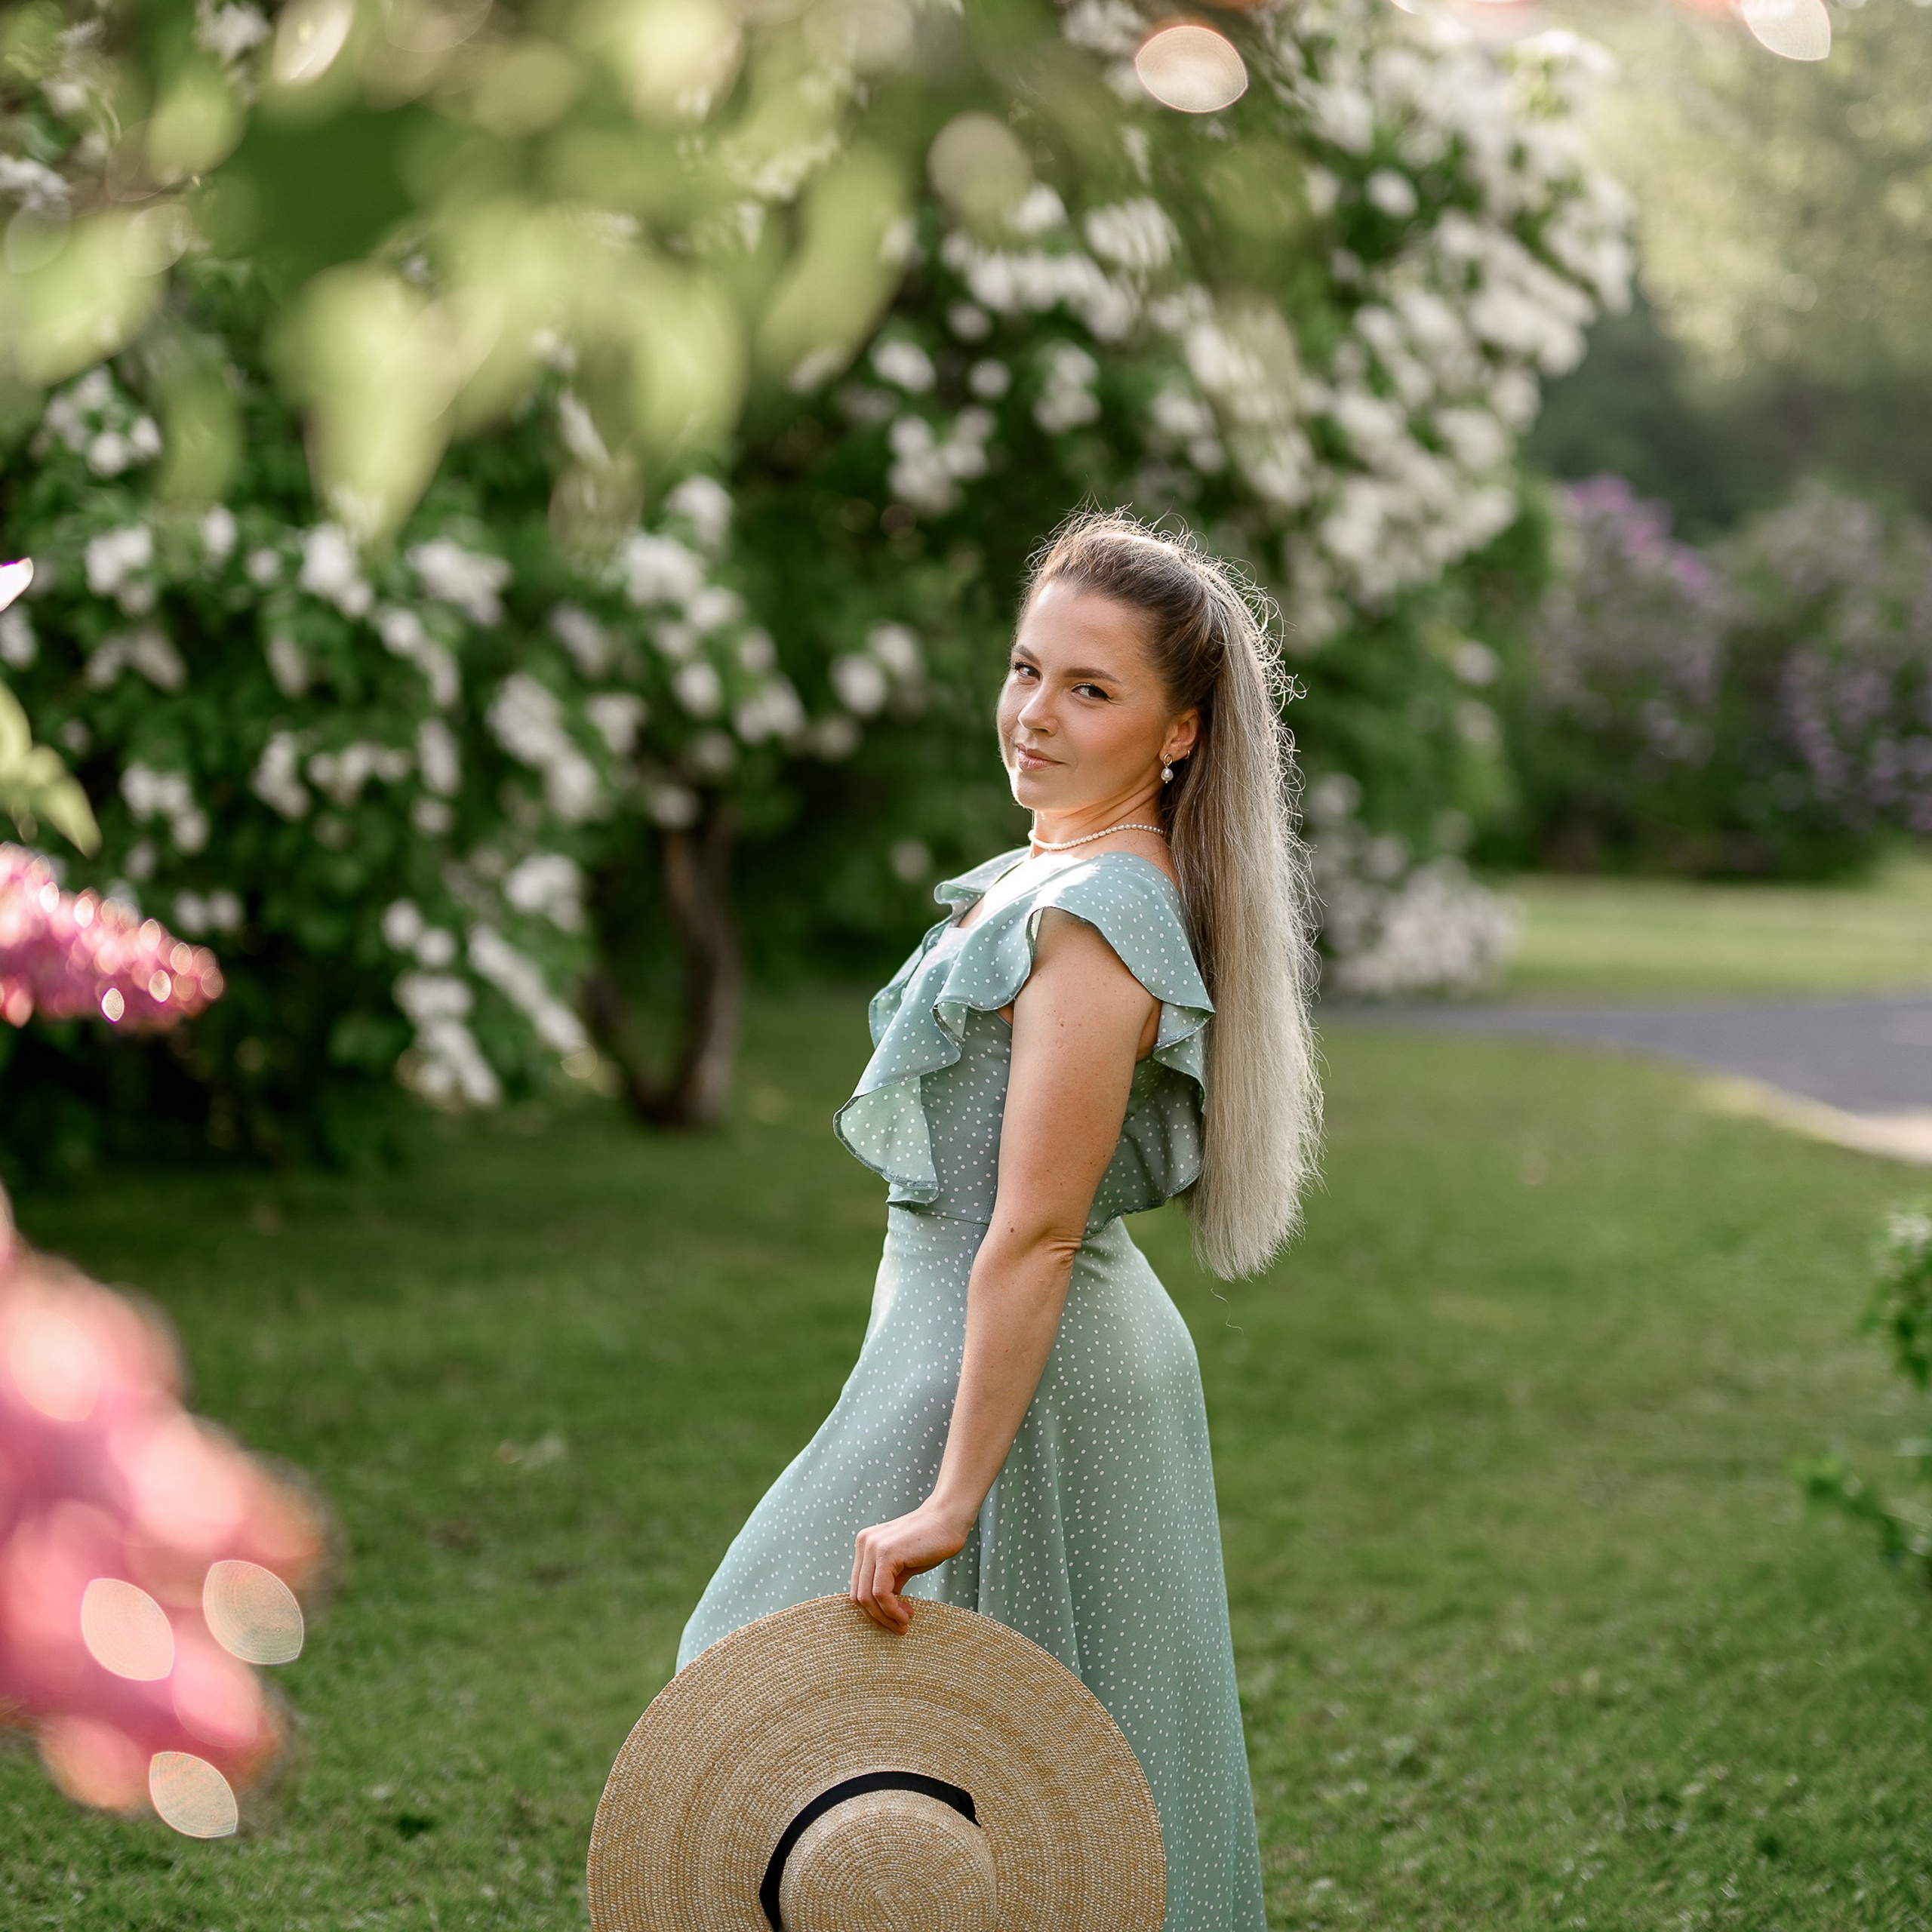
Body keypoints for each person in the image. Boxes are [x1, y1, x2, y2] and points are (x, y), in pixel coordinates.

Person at [678, 509, 1321, 1932]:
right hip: (970, 1346)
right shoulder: (1046, 873)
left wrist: (954, 1494)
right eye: (1028, 670)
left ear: (1178, 733)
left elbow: (1031, 1232)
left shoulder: (1098, 916)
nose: (1034, 714)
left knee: (925, 1765)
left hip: (1036, 1371)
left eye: (1090, 690)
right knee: (956, 1795)